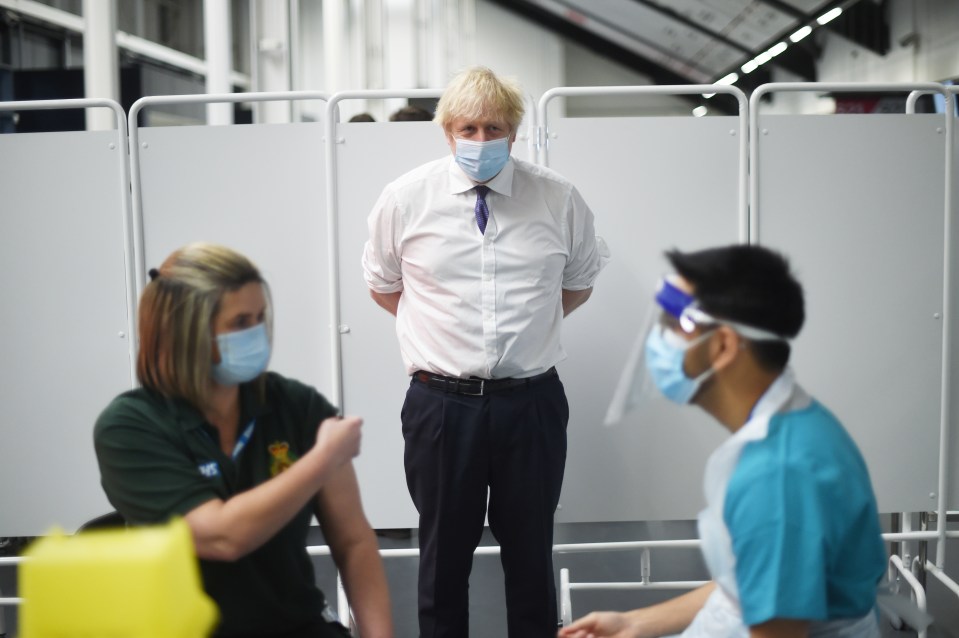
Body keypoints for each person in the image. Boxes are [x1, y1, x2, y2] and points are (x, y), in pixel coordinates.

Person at [362, 66, 609, 638]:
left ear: (514, 132)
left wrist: (523, 333)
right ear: (447, 131)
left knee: (530, 555)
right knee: (442, 558)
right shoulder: (405, 199)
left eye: (492, 127)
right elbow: (383, 285)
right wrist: (446, 335)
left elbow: (578, 283)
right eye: (467, 128)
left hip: (532, 403)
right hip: (441, 406)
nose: (479, 140)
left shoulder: (558, 197)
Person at [560, 245, 886, 638]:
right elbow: (753, 584)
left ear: (724, 346)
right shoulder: (795, 424)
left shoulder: (779, 475)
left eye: (673, 323)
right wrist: (634, 623)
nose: (657, 341)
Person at [94, 243, 394, 638]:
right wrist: (321, 461)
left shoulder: (295, 406)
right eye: (239, 323)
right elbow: (223, 537)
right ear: (186, 333)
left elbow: (353, 541)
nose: (256, 334)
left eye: (260, 318)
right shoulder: (131, 426)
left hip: (294, 626)